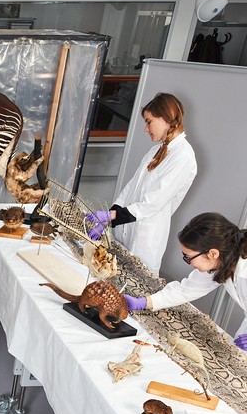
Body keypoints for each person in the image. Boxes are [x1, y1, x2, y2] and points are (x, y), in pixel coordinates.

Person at [86, 93, 197, 274]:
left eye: (148, 122)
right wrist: (109, 217)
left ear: (164, 118)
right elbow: (131, 187)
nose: (146, 129)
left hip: (145, 240)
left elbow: (152, 203)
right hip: (126, 230)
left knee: (133, 282)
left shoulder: (183, 156)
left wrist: (111, 215)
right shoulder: (156, 151)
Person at [123, 212, 247, 352]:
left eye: (188, 257)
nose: (188, 262)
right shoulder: (223, 260)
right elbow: (187, 289)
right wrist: (144, 302)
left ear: (213, 253)